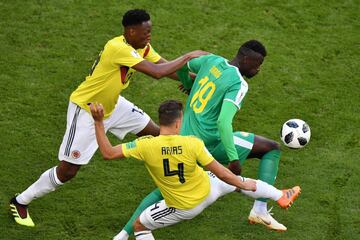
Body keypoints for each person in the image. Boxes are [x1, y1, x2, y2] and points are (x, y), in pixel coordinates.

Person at [9, 9, 208, 227]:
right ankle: (20, 201)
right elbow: (156, 72)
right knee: (68, 170)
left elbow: (164, 66)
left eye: (150, 31)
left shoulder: (141, 46)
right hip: (88, 109)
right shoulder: (117, 47)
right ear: (131, 31)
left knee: (160, 133)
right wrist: (188, 56)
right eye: (145, 32)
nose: (149, 36)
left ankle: (192, 178)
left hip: (114, 104)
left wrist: (196, 81)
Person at [115, 40, 289, 239]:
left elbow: (183, 65)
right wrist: (233, 159)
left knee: (166, 189)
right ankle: (260, 209)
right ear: (247, 59)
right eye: (257, 64)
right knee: (271, 148)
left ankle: (122, 234)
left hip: (183, 136)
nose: (258, 69)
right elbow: (224, 122)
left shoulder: (212, 61)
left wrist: (189, 83)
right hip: (208, 143)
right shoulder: (238, 83)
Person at [90, 100, 300, 240]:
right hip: (209, 188)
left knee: (139, 226)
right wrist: (242, 184)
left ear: (161, 121)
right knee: (233, 181)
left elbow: (108, 153)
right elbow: (222, 173)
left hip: (185, 206)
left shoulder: (145, 145)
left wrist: (99, 121)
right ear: (179, 121)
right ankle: (279, 195)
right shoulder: (192, 143)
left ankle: (277, 195)